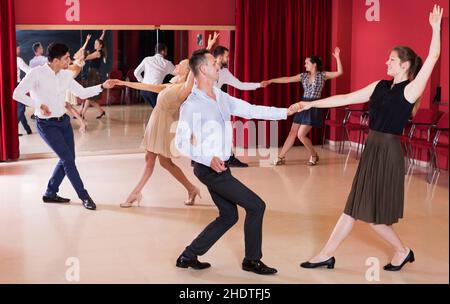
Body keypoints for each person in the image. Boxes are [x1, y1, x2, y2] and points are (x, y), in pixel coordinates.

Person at [295, 5, 443, 271]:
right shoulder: (379, 86)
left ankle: (402, 250)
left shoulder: (410, 91)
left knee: (373, 217)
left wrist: (435, 28)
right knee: (353, 207)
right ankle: (326, 254)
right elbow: (344, 98)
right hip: (372, 149)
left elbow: (433, 56)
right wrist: (310, 105)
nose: (386, 62)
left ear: (405, 65)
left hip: (388, 153)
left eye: (392, 59)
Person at [174, 49, 296, 275]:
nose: (218, 65)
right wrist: (207, 158)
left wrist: (285, 112)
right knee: (256, 206)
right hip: (208, 168)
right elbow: (181, 143)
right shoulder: (191, 105)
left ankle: (188, 256)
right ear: (202, 69)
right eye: (213, 63)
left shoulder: (220, 96)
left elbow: (250, 110)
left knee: (229, 216)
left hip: (220, 166)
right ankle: (252, 260)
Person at [115, 33, 219, 207]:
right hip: (156, 123)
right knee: (164, 162)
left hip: (163, 126)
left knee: (152, 160)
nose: (177, 65)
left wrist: (207, 49)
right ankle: (191, 188)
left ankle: (135, 194)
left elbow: (197, 65)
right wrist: (123, 83)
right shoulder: (170, 85)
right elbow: (147, 86)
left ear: (189, 71)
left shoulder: (184, 88)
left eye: (182, 65)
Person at [13, 43, 115, 210]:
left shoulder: (65, 75)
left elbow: (81, 93)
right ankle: (84, 196)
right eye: (66, 58)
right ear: (55, 60)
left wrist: (102, 86)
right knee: (68, 160)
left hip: (64, 123)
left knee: (67, 159)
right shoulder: (36, 73)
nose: (70, 59)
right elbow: (16, 93)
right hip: (46, 125)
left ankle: (50, 193)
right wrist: (38, 105)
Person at [261, 47, 343, 166]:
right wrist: (271, 81)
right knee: (293, 132)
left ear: (314, 64)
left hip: (314, 105)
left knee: (301, 134)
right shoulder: (303, 76)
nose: (305, 65)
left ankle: (314, 155)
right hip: (302, 104)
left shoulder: (323, 75)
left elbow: (339, 73)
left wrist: (337, 57)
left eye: (307, 63)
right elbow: (287, 79)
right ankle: (281, 157)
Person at [212, 45, 266, 168]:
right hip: (206, 104)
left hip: (217, 105)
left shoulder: (224, 72)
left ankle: (229, 158)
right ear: (220, 57)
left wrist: (258, 85)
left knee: (225, 130)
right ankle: (204, 159)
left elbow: (240, 85)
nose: (228, 59)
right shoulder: (207, 68)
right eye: (227, 56)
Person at [134, 42, 176, 108]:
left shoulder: (147, 59)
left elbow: (136, 72)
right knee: (161, 110)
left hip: (143, 91)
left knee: (157, 110)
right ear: (163, 51)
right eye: (166, 51)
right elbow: (177, 73)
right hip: (154, 92)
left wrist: (143, 82)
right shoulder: (167, 63)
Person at [81, 30, 107, 119]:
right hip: (92, 73)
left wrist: (82, 56)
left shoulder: (97, 53)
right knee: (89, 97)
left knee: (89, 96)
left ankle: (82, 114)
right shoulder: (99, 49)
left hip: (94, 75)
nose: (94, 44)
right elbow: (101, 40)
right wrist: (103, 33)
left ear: (100, 45)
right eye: (95, 43)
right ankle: (101, 111)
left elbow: (86, 58)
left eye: (96, 43)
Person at [29, 42, 48, 120]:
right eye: (41, 48)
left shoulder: (31, 61)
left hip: (33, 84)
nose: (43, 49)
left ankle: (37, 115)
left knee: (37, 101)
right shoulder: (44, 60)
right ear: (38, 49)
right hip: (43, 83)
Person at [16, 46, 32, 136]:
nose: (19, 50)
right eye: (18, 48)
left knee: (19, 108)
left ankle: (27, 129)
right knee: (21, 108)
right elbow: (29, 70)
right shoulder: (18, 59)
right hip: (16, 85)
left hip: (7, 86)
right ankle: (12, 130)